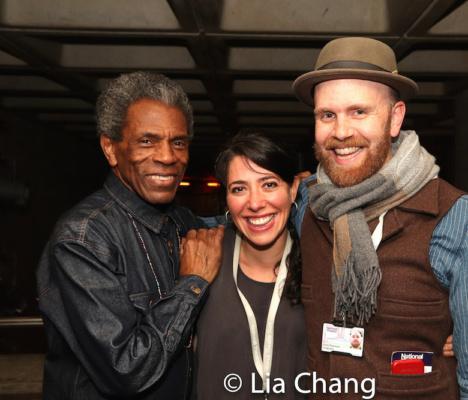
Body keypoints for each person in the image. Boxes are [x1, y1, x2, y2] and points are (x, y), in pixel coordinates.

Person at [291, 37, 468, 399]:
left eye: (359, 111)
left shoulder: (463, 221)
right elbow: (243, 223)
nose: (342, 131)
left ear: (395, 118)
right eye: (327, 115)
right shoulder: (307, 204)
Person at [36, 71, 224, 400]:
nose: (168, 157)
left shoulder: (183, 220)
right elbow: (127, 369)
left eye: (178, 142)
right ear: (111, 149)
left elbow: (243, 225)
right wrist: (192, 283)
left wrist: (299, 197)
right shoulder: (82, 238)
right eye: (147, 141)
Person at [192, 133, 306, 399]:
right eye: (239, 189)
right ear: (227, 201)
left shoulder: (320, 262)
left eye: (268, 184)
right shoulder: (205, 259)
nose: (255, 203)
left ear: (293, 189)